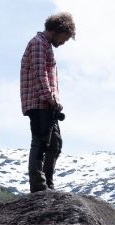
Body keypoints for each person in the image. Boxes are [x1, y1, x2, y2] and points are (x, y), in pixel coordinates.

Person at [20, 13, 76, 193]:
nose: (64, 42)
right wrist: (50, 98)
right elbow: (39, 74)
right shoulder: (38, 44)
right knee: (41, 142)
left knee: (55, 144)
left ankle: (47, 184)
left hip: (46, 104)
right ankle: (39, 186)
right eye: (65, 38)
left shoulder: (45, 45)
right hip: (39, 103)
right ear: (58, 30)